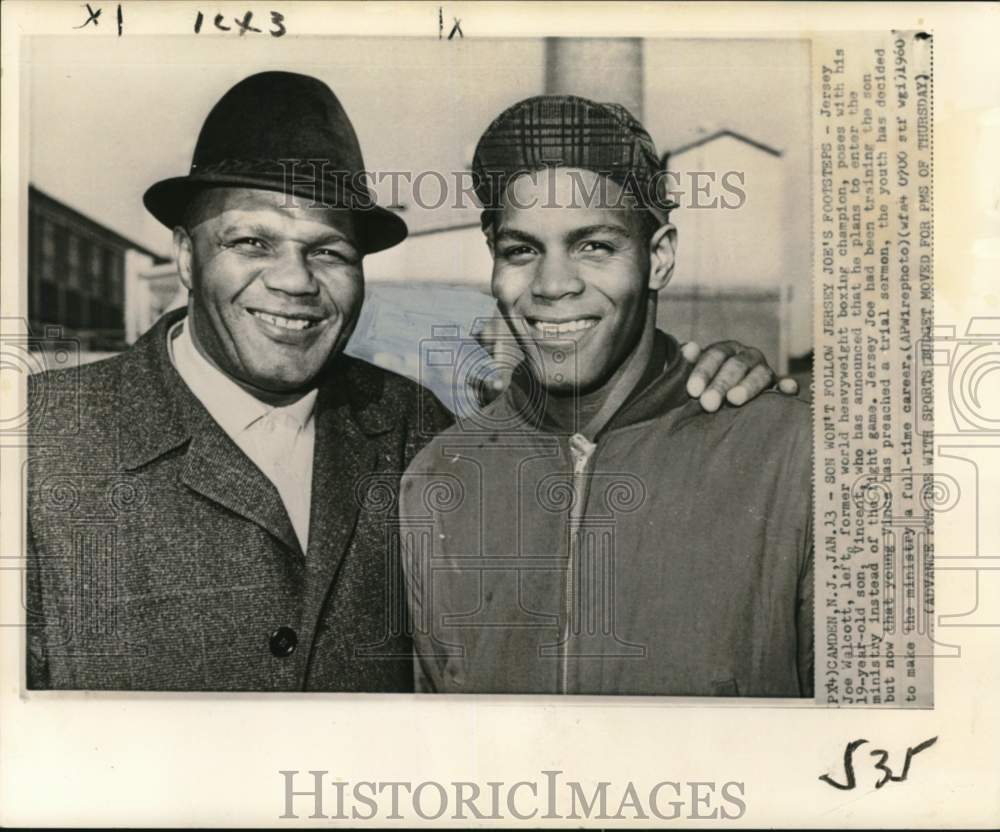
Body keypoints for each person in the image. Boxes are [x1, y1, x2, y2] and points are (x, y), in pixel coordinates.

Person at [26, 73, 791, 691]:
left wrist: (704, 380)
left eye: (328, 251)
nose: (293, 281)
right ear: (187, 259)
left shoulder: (412, 429)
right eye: (252, 241)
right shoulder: (38, 443)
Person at [400, 95, 814, 697]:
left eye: (594, 246)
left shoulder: (791, 455)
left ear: (659, 257)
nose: (553, 285)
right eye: (522, 250)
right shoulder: (438, 478)